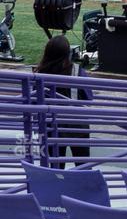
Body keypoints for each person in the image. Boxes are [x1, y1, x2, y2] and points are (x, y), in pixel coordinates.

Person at [34, 35, 91, 167]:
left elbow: (34, 99)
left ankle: (57, 187)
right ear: (68, 53)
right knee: (83, 165)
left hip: (51, 125)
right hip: (78, 125)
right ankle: (85, 187)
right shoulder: (78, 71)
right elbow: (88, 97)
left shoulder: (40, 72)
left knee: (56, 167)